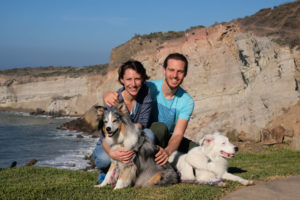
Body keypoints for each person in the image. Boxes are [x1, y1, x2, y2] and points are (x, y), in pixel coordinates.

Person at [104, 53, 197, 167]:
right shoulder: (150, 87)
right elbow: (129, 88)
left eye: (180, 71)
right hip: (148, 135)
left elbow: (178, 134)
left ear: (185, 74)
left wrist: (168, 151)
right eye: (171, 70)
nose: (175, 75)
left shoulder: (186, 101)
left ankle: (167, 159)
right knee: (159, 128)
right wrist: (107, 94)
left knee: (201, 153)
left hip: (170, 139)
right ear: (164, 70)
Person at [92, 60, 153, 182]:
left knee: (150, 135)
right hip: (112, 142)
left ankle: (134, 171)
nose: (133, 84)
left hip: (131, 137)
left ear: (143, 79)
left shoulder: (146, 94)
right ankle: (106, 171)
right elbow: (104, 135)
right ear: (122, 80)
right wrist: (111, 153)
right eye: (129, 79)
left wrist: (126, 146)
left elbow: (142, 124)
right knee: (103, 159)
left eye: (137, 79)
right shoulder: (113, 100)